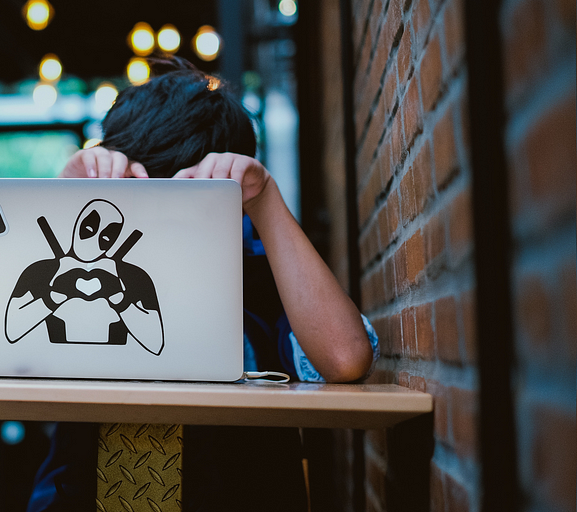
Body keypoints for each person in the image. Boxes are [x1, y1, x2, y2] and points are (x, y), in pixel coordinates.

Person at [26, 57, 379, 512]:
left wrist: (264, 198)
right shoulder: (85, 272)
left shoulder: (262, 272)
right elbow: (10, 340)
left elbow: (346, 359)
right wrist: (66, 205)